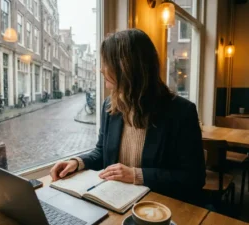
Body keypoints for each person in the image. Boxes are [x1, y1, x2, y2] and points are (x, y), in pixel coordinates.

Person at [50, 28, 206, 203]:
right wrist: (77, 162)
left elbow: (194, 178)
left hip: (159, 209)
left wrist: (136, 175)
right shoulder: (109, 105)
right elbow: (102, 151)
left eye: (107, 62)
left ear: (129, 67)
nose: (101, 69)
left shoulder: (181, 112)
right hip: (116, 203)